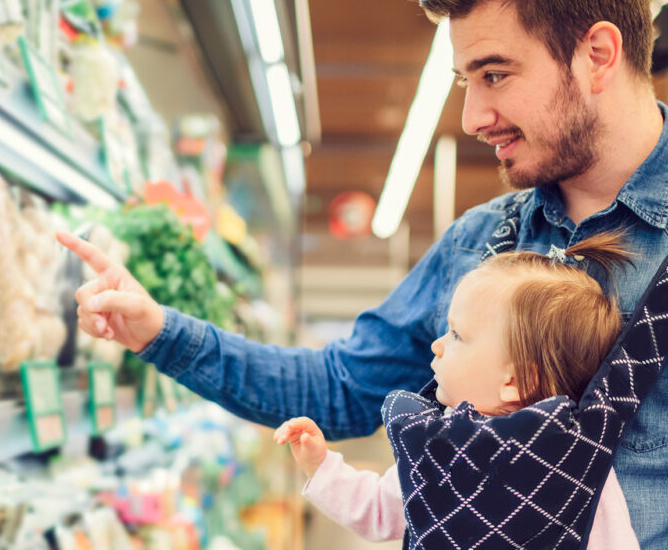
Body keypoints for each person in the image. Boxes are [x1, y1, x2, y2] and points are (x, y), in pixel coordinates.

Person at [57, 0, 668, 546]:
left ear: (597, 55)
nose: (473, 116)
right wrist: (158, 331)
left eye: (494, 74)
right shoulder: (477, 243)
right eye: (464, 80)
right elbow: (338, 387)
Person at [272, 233, 638, 548]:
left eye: (457, 335)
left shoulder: (572, 459)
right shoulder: (438, 443)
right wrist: (321, 466)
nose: (437, 345)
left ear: (514, 381)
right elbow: (382, 510)